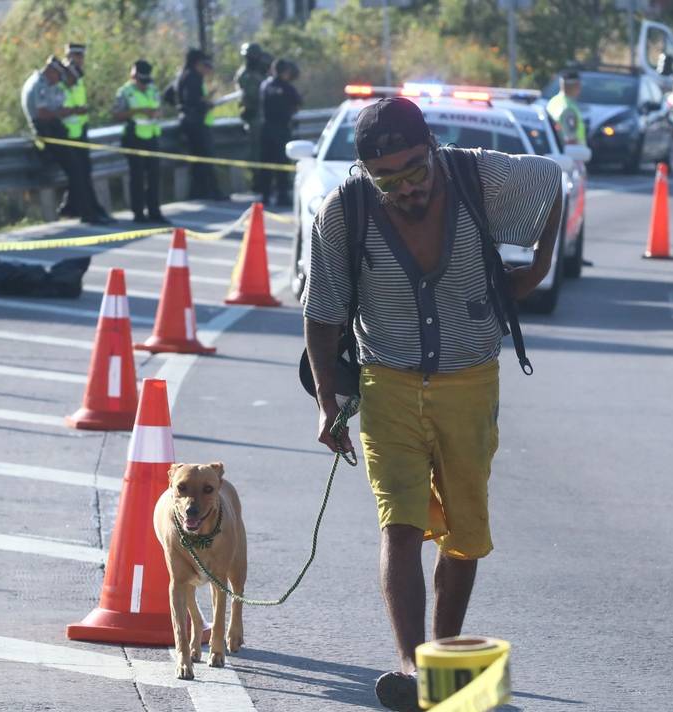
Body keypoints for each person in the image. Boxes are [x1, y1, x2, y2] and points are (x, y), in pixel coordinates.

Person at [303, 97, 563, 712]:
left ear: (433, 150)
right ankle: (411, 665)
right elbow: (322, 315)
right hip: (386, 383)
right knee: (401, 524)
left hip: (469, 382)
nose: (407, 187)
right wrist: (326, 400)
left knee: (466, 533)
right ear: (367, 172)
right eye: (388, 179)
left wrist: (540, 266)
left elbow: (553, 180)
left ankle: (444, 663)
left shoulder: (478, 177)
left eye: (416, 170)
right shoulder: (344, 212)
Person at [21, 56, 111, 225]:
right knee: (76, 170)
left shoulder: (48, 83)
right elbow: (43, 113)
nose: (59, 80)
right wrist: (67, 112)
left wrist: (63, 111)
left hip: (54, 128)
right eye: (58, 75)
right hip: (46, 131)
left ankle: (78, 208)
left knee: (79, 169)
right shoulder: (40, 84)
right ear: (51, 71)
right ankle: (86, 213)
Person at [113, 60, 168, 224]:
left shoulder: (153, 90)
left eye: (146, 82)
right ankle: (138, 213)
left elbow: (160, 109)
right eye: (141, 82)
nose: (144, 85)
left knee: (154, 176)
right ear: (134, 77)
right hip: (133, 137)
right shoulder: (125, 92)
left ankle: (154, 211)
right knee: (136, 177)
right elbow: (117, 114)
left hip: (151, 136)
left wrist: (156, 113)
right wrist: (138, 111)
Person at [60, 63, 111, 223]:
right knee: (78, 175)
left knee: (83, 173)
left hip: (78, 136)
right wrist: (76, 110)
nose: (76, 81)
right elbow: (56, 111)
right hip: (65, 138)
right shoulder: (58, 89)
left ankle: (75, 208)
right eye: (74, 78)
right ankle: (85, 212)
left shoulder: (75, 87)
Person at [178, 47, 225, 200]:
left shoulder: (184, 76)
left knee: (199, 160)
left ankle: (200, 191)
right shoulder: (192, 77)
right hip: (196, 123)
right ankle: (211, 191)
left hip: (192, 122)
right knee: (206, 158)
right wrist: (206, 104)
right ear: (197, 63)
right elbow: (193, 101)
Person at [257, 58, 302, 207]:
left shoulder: (264, 85)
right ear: (286, 72)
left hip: (265, 129)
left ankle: (265, 195)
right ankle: (282, 195)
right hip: (281, 130)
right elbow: (297, 103)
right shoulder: (287, 87)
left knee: (266, 164)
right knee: (281, 163)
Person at [236, 42, 267, 191]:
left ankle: (266, 181)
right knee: (256, 152)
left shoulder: (261, 72)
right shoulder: (245, 74)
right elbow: (251, 95)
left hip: (265, 117)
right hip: (253, 117)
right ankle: (258, 181)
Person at [546, 69, 586, 145]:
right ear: (577, 85)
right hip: (572, 155)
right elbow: (570, 140)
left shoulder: (553, 101)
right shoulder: (568, 108)